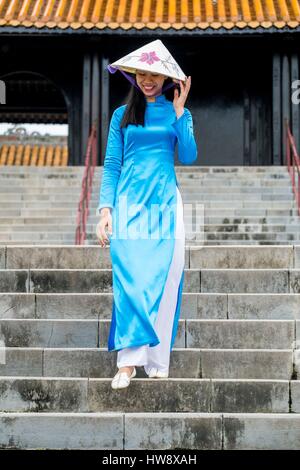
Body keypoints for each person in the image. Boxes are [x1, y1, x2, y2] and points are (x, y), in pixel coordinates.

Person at [95, 39, 198, 389]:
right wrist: (105, 210)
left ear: (166, 77)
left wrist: (181, 112)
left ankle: (156, 358)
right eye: (141, 73)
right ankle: (127, 363)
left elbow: (189, 155)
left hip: (165, 203)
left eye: (154, 74)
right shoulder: (121, 116)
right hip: (128, 204)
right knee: (130, 279)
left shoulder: (176, 113)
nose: (147, 80)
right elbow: (112, 164)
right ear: (133, 76)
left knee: (165, 279)